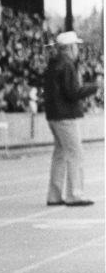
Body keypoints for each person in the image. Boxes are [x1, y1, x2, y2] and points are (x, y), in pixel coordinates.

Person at [44, 30, 99, 206]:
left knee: (60, 154)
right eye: (75, 46)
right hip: (65, 115)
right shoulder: (67, 64)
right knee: (76, 154)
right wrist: (95, 87)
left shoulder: (53, 63)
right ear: (69, 48)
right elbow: (72, 92)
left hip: (54, 114)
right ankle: (74, 195)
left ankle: (54, 195)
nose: (77, 50)